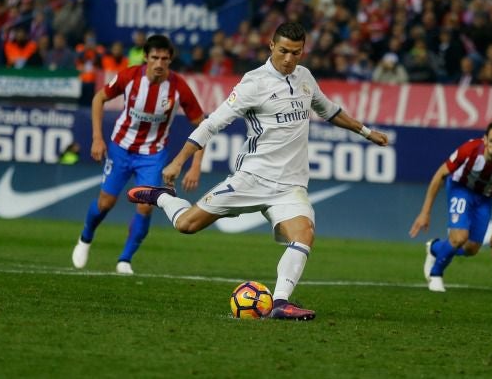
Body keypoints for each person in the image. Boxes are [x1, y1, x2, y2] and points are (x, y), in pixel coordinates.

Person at [127, 22, 389, 320]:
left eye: (296, 52)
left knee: (304, 235)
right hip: (251, 178)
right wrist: (179, 161)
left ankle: (280, 302)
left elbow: (329, 110)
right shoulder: (254, 83)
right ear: (271, 47)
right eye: (283, 51)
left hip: (290, 186)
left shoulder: (304, 78)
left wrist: (367, 132)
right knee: (186, 225)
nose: (289, 59)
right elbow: (212, 123)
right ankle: (163, 197)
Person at [71, 34, 205, 275]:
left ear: (170, 60)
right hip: (121, 148)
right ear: (145, 57)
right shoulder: (129, 77)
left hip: (152, 155)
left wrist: (196, 165)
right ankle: (85, 238)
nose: (159, 63)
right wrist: (97, 138)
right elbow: (99, 98)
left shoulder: (179, 87)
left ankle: (125, 260)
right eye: (154, 57)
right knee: (106, 203)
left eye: (164, 58)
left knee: (145, 207)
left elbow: (203, 124)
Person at [409, 121, 492, 292]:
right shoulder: (469, 150)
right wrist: (425, 211)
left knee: (471, 249)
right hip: (460, 189)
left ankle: (434, 248)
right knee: (459, 237)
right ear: (485, 140)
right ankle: (436, 274)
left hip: (484, 198)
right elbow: (440, 174)